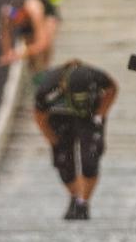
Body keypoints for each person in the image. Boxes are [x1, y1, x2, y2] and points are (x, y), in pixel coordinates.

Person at [33, 60, 117, 220]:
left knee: (90, 157)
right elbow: (39, 115)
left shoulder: (96, 77)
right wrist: (52, 139)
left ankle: (82, 202)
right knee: (63, 161)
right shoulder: (47, 88)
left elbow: (112, 88)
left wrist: (100, 114)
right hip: (60, 117)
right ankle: (75, 195)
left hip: (89, 115)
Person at [0, 0, 59, 73]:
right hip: (29, 21)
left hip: (47, 17)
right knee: (31, 56)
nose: (18, 23)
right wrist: (7, 53)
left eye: (19, 20)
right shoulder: (8, 14)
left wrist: (19, 53)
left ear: (23, 11)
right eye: (15, 22)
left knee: (44, 45)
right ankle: (35, 73)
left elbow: (42, 43)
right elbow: (4, 34)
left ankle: (46, 68)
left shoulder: (34, 9)